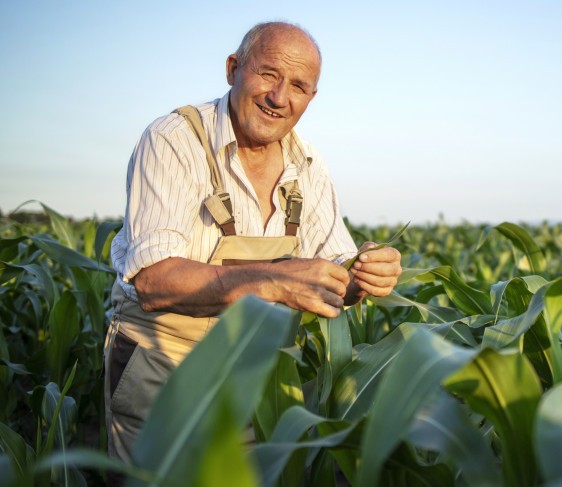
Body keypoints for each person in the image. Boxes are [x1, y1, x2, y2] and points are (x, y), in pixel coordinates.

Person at [104, 21, 402, 464]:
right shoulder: (175, 140)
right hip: (161, 363)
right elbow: (154, 280)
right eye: (268, 74)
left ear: (311, 98)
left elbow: (335, 267)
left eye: (298, 86)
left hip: (256, 370)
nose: (279, 97)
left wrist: (364, 275)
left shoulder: (308, 166)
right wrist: (275, 280)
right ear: (233, 69)